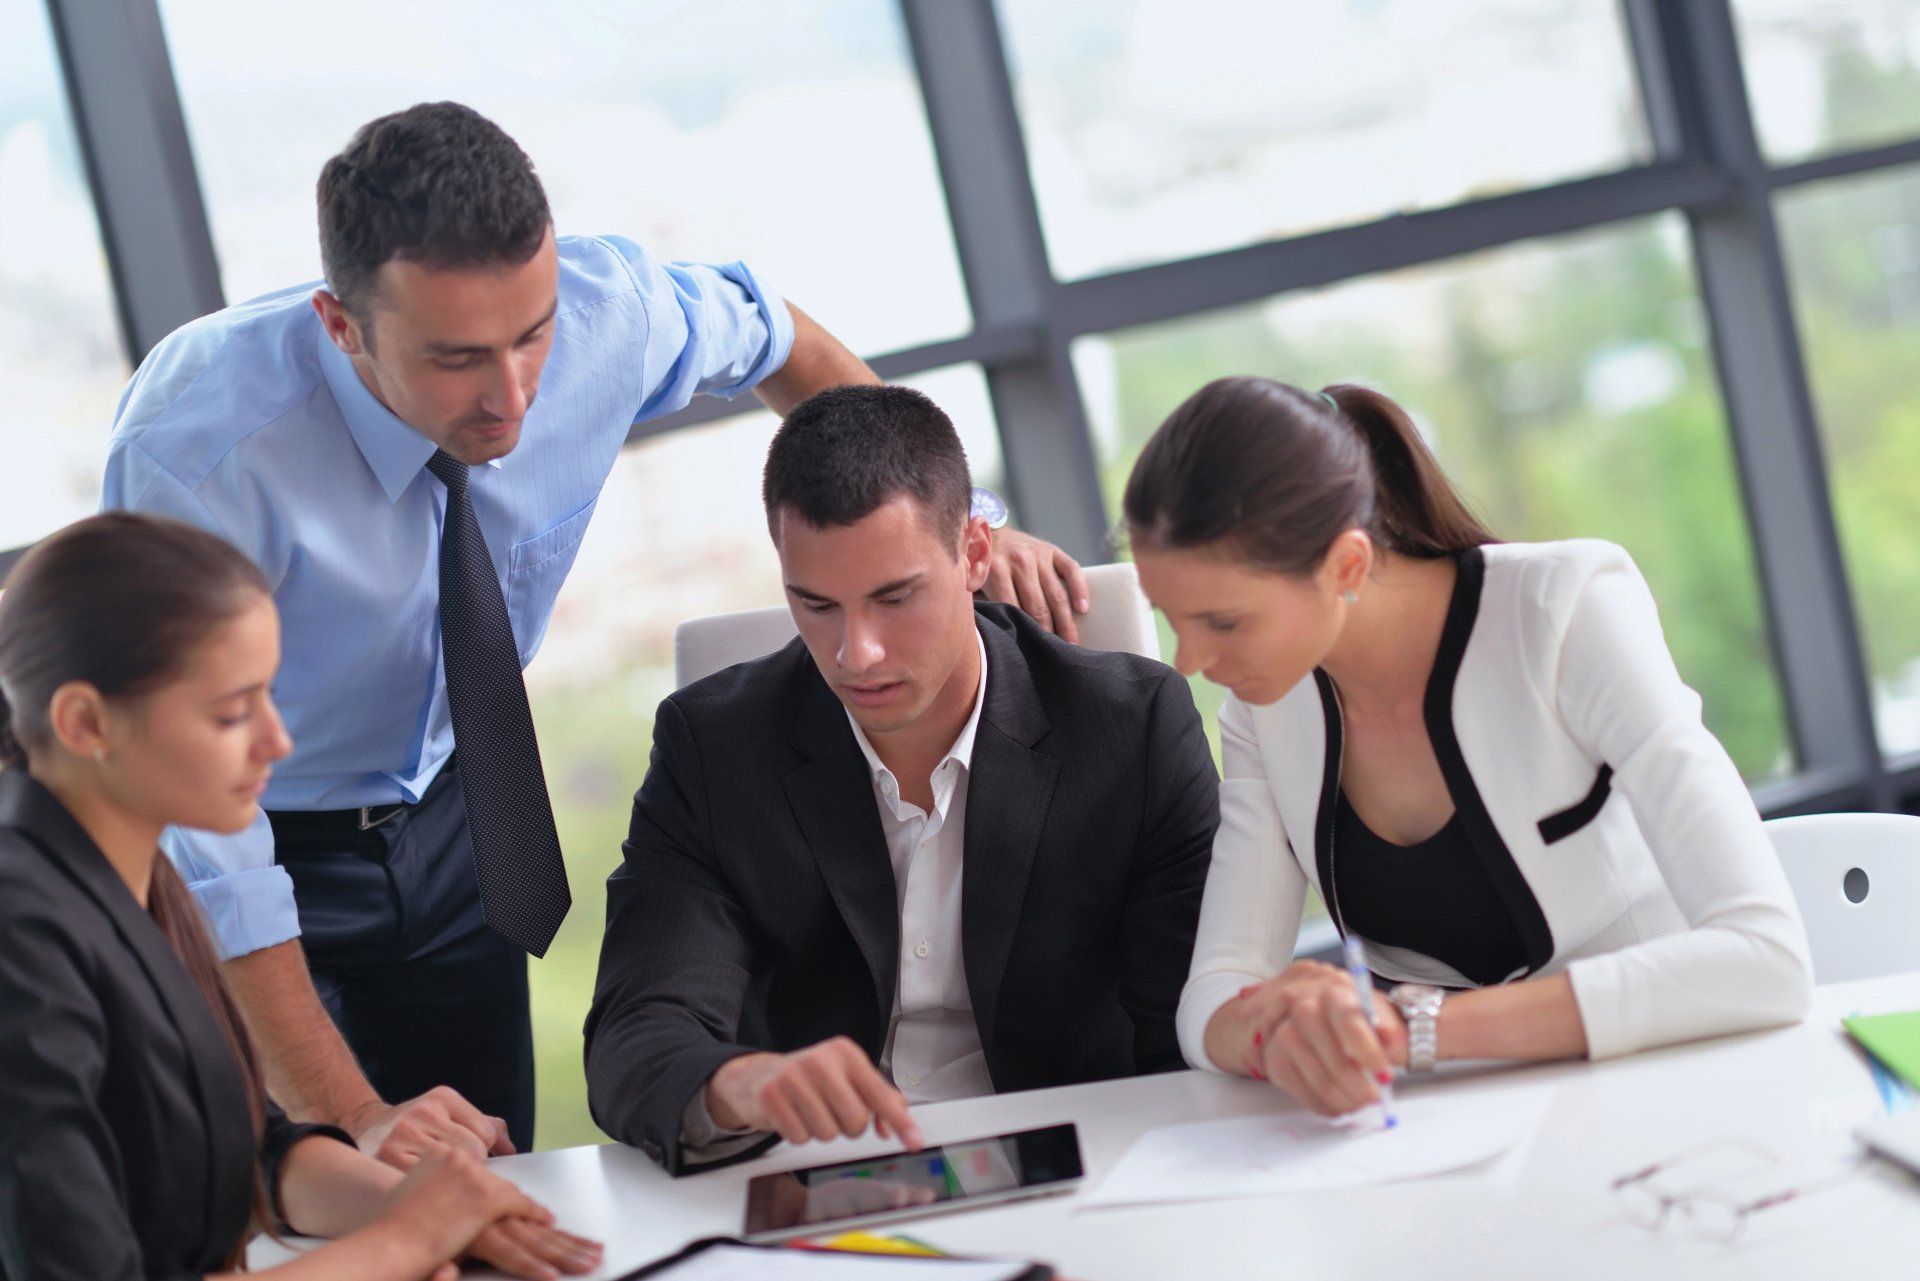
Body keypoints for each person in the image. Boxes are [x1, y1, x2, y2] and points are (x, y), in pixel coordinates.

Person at [101, 101, 1084, 1162]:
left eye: (532, 336)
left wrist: (966, 523)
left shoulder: (605, 311)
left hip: (455, 814)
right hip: (255, 824)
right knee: (308, 1192)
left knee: (484, 1179)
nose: (512, 397)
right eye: (456, 358)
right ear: (341, 324)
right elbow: (205, 842)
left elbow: (778, 335)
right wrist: (357, 1111)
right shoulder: (201, 452)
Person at [1121, 377, 1814, 1116]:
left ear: (1347, 565)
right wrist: (1271, 1026)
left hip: (1665, 1090)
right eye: (1172, 618)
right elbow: (1210, 997)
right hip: (1446, 1124)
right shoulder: (1265, 710)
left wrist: (1412, 1029)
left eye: (1223, 622)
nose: (1188, 660)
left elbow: (1766, 955)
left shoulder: (1565, 609)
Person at [584, 385, 1220, 1174]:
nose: (857, 653)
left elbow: (1196, 1024)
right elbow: (635, 1034)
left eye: (895, 597)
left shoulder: (1131, 729)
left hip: (1087, 1173)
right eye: (815, 604)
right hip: (830, 1191)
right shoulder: (715, 748)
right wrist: (742, 1082)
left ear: (975, 555)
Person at [0, 512, 601, 1281]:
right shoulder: (22, 938)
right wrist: (403, 1243)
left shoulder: (137, 876)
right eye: (231, 712)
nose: (278, 743)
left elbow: (247, 1139)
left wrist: (419, 1206)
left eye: (270, 698)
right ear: (85, 722)